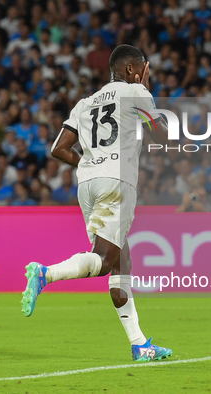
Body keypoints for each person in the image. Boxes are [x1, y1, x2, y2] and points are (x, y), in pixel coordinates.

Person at [21, 45, 172, 361]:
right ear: (132, 70)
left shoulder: (85, 103)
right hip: (117, 182)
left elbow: (58, 148)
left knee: (120, 260)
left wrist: (90, 165)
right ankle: (44, 274)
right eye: (144, 69)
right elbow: (161, 135)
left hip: (87, 183)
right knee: (103, 261)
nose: (146, 74)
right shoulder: (135, 93)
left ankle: (139, 344)